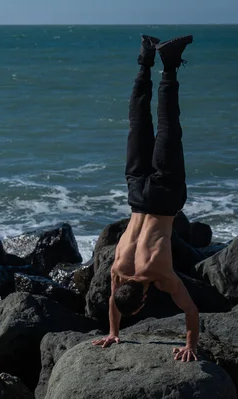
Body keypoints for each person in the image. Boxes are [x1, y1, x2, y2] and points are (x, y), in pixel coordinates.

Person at [91, 34, 199, 362]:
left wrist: (190, 345)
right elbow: (113, 301)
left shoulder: (160, 275)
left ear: (143, 300)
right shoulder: (118, 271)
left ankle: (169, 65)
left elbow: (192, 312)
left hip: (165, 197)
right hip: (136, 193)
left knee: (168, 127)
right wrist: (113, 330)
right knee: (138, 123)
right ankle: (145, 58)